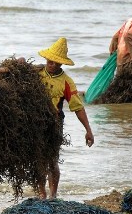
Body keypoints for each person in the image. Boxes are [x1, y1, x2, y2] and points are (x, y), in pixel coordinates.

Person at [37, 37, 94, 199]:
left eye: (56, 62)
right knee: (38, 160)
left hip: (54, 123)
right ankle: (42, 194)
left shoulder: (66, 82)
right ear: (46, 58)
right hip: (36, 123)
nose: (52, 63)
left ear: (61, 64)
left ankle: (53, 195)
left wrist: (88, 130)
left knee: (52, 160)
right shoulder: (37, 74)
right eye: (50, 60)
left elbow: (77, 107)